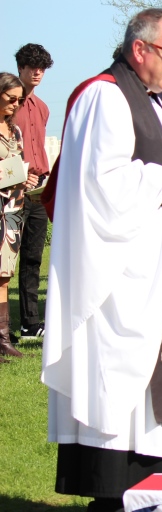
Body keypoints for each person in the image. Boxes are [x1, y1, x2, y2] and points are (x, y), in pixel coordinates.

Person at [41, 8, 162, 512]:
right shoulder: (105, 95)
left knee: (157, 367)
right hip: (122, 271)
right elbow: (101, 183)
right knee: (123, 370)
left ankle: (161, 486)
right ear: (139, 50)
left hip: (157, 259)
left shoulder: (145, 99)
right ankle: (114, 496)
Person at [13, 45, 52, 343]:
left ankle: (30, 324)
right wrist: (18, 175)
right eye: (32, 66)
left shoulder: (42, 107)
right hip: (12, 190)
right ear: (20, 67)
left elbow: (38, 148)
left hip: (38, 191)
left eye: (42, 67)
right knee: (4, 261)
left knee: (33, 258)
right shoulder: (7, 106)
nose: (37, 72)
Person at [0, 74, 29, 362]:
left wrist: (26, 177)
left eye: (19, 100)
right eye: (10, 99)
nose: (15, 104)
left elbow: (16, 164)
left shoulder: (15, 131)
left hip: (12, 210)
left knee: (3, 276)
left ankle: (3, 339)